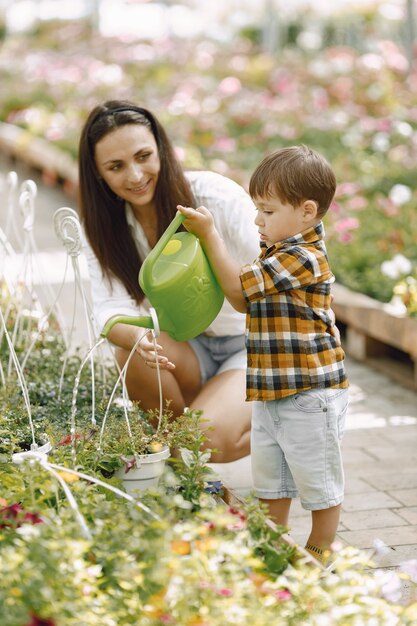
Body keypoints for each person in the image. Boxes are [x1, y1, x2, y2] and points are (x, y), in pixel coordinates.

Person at [177, 145, 349, 562]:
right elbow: (244, 301)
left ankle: (322, 546)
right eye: (257, 209)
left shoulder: (302, 257)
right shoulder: (276, 252)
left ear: (307, 211)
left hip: (309, 392)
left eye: (267, 211)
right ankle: (271, 541)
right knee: (271, 478)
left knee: (317, 475)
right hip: (273, 389)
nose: (257, 220)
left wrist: (210, 235)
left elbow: (237, 292)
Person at [77, 99, 260, 464]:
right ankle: (181, 465)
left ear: (161, 149)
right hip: (189, 348)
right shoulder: (105, 228)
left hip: (254, 345)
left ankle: (287, 421)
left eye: (143, 156)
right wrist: (137, 339)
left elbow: (273, 273)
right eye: (116, 166)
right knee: (130, 351)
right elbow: (109, 309)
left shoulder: (213, 197)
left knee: (210, 440)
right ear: (99, 174)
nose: (134, 175)